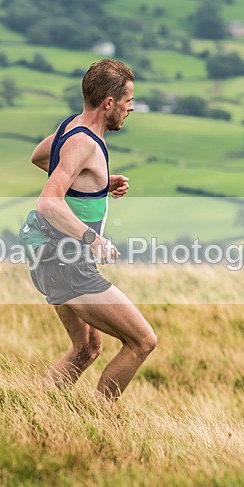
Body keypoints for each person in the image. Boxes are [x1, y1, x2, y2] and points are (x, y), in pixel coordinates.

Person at [26, 59, 157, 401]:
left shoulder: (73, 126)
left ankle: (38, 409)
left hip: (49, 259)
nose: (131, 107)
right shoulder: (84, 142)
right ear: (108, 103)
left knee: (86, 348)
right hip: (67, 263)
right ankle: (98, 423)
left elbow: (42, 156)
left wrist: (94, 184)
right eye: (128, 100)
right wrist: (91, 238)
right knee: (142, 341)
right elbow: (48, 202)